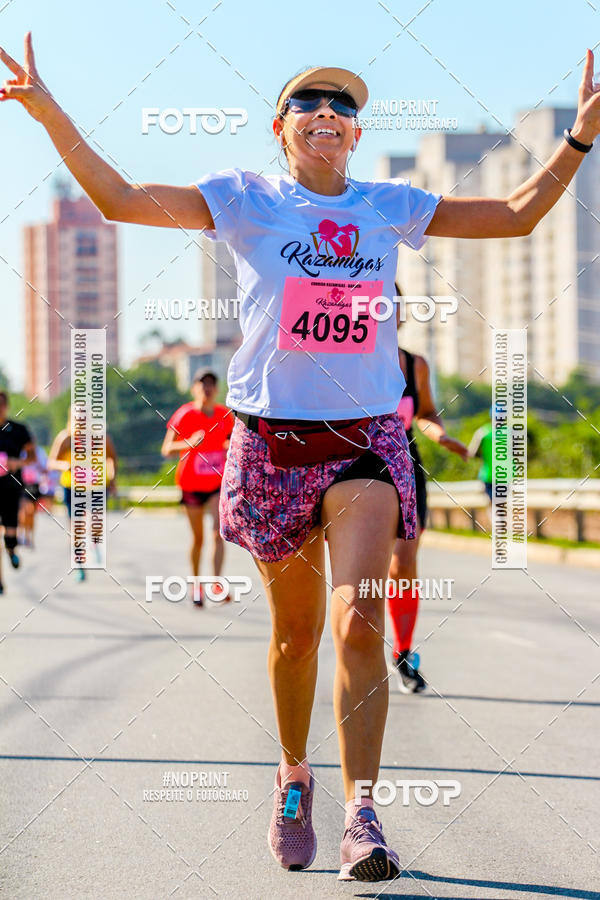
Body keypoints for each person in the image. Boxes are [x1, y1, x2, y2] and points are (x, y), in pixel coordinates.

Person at [4, 34, 598, 882]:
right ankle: (293, 774)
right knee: (296, 636)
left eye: (344, 105)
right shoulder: (245, 199)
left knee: (359, 621)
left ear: (356, 133)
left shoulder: (389, 205)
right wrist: (48, 111)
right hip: (272, 445)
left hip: (366, 442)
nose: (328, 112)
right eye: (309, 103)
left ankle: (363, 815)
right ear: (280, 128)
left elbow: (514, 215)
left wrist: (578, 138)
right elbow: (118, 198)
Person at [387, 289, 469, 692]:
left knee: (402, 564)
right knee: (361, 569)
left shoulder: (414, 364)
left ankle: (403, 652)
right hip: (353, 468)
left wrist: (441, 436)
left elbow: (425, 413)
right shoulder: (346, 362)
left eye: (396, 304)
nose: (391, 312)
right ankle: (355, 648)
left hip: (405, 465)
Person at [161, 370, 233, 606]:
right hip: (191, 485)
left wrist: (228, 445)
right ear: (194, 389)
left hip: (216, 484)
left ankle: (217, 584)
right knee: (199, 539)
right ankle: (196, 585)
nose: (207, 388)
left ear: (217, 389)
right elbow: (166, 449)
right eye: (203, 384)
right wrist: (189, 443)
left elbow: (232, 440)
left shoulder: (224, 415)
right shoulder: (185, 414)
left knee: (218, 534)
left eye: (211, 384)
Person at [48, 410, 117, 579]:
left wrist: (113, 479)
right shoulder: (65, 438)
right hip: (73, 487)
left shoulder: (101, 437)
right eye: (78, 419)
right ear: (71, 419)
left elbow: (112, 458)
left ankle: (94, 542)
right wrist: (64, 466)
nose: (81, 422)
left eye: (84, 419)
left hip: (97, 487)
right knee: (76, 527)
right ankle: (79, 564)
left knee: (95, 523)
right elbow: (51, 462)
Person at [0, 390, 35, 593]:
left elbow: (32, 456)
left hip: (11, 488)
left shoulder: (19, 430)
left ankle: (11, 549)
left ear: (6, 406)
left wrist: (16, 463)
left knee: (10, 532)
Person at [18, 442, 51, 548]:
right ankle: (22, 533)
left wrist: (37, 463)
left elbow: (45, 468)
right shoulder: (21, 452)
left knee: (32, 513)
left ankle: (30, 536)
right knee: (25, 510)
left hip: (35, 485)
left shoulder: (39, 452)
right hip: (23, 484)